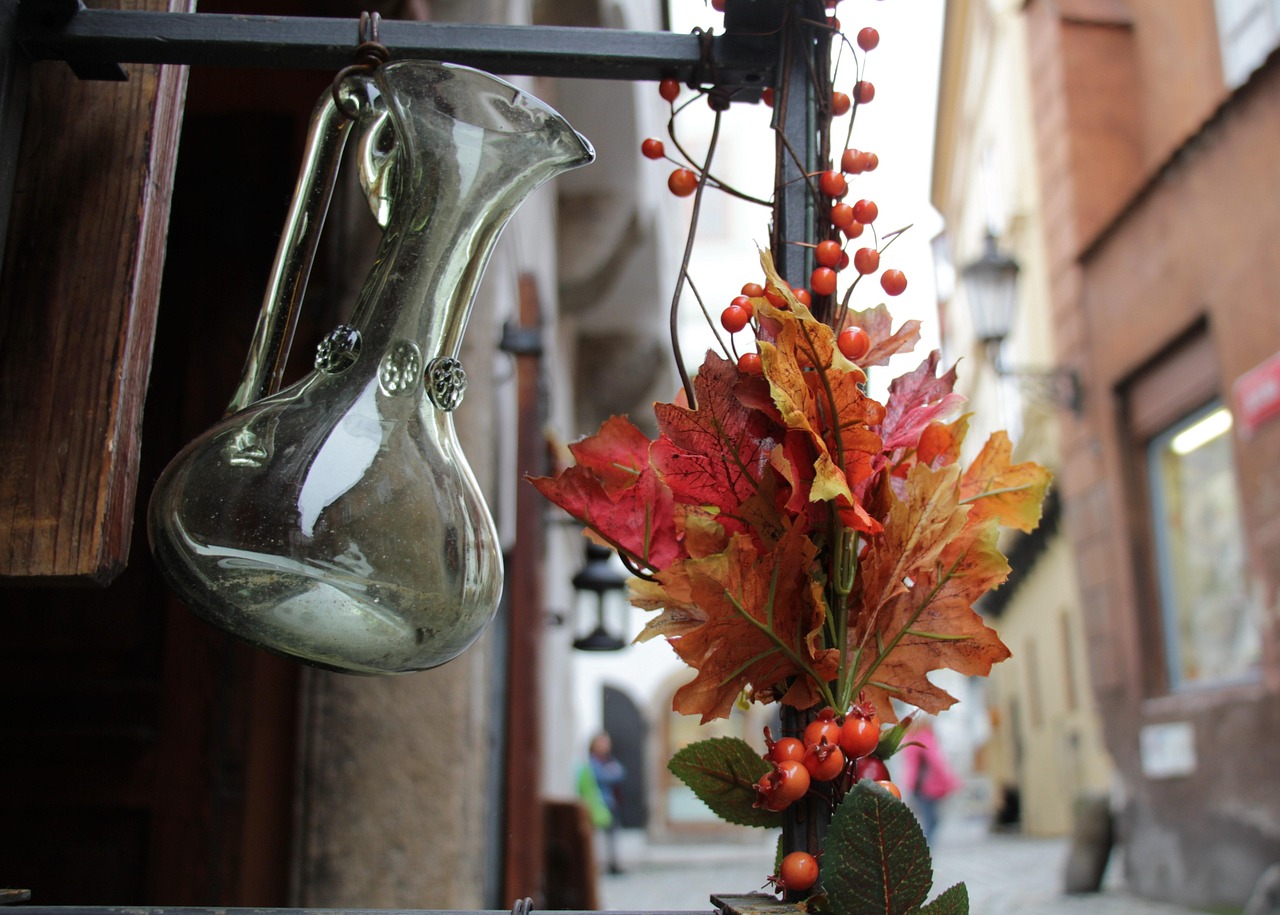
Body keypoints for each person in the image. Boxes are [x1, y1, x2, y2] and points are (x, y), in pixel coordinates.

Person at [894, 721, 962, 842]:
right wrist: (951, 781)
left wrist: (908, 785)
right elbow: (937, 763)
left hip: (918, 787)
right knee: (931, 820)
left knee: (929, 819)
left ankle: (924, 847)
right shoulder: (925, 738)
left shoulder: (910, 739)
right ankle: (925, 848)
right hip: (929, 787)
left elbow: (911, 766)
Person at [577, 732, 626, 874]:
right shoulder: (592, 762)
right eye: (601, 743)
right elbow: (602, 776)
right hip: (598, 803)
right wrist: (610, 773)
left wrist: (611, 772)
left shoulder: (608, 760)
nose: (605, 746)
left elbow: (620, 772)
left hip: (611, 803)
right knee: (596, 836)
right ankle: (594, 864)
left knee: (612, 835)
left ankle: (613, 863)